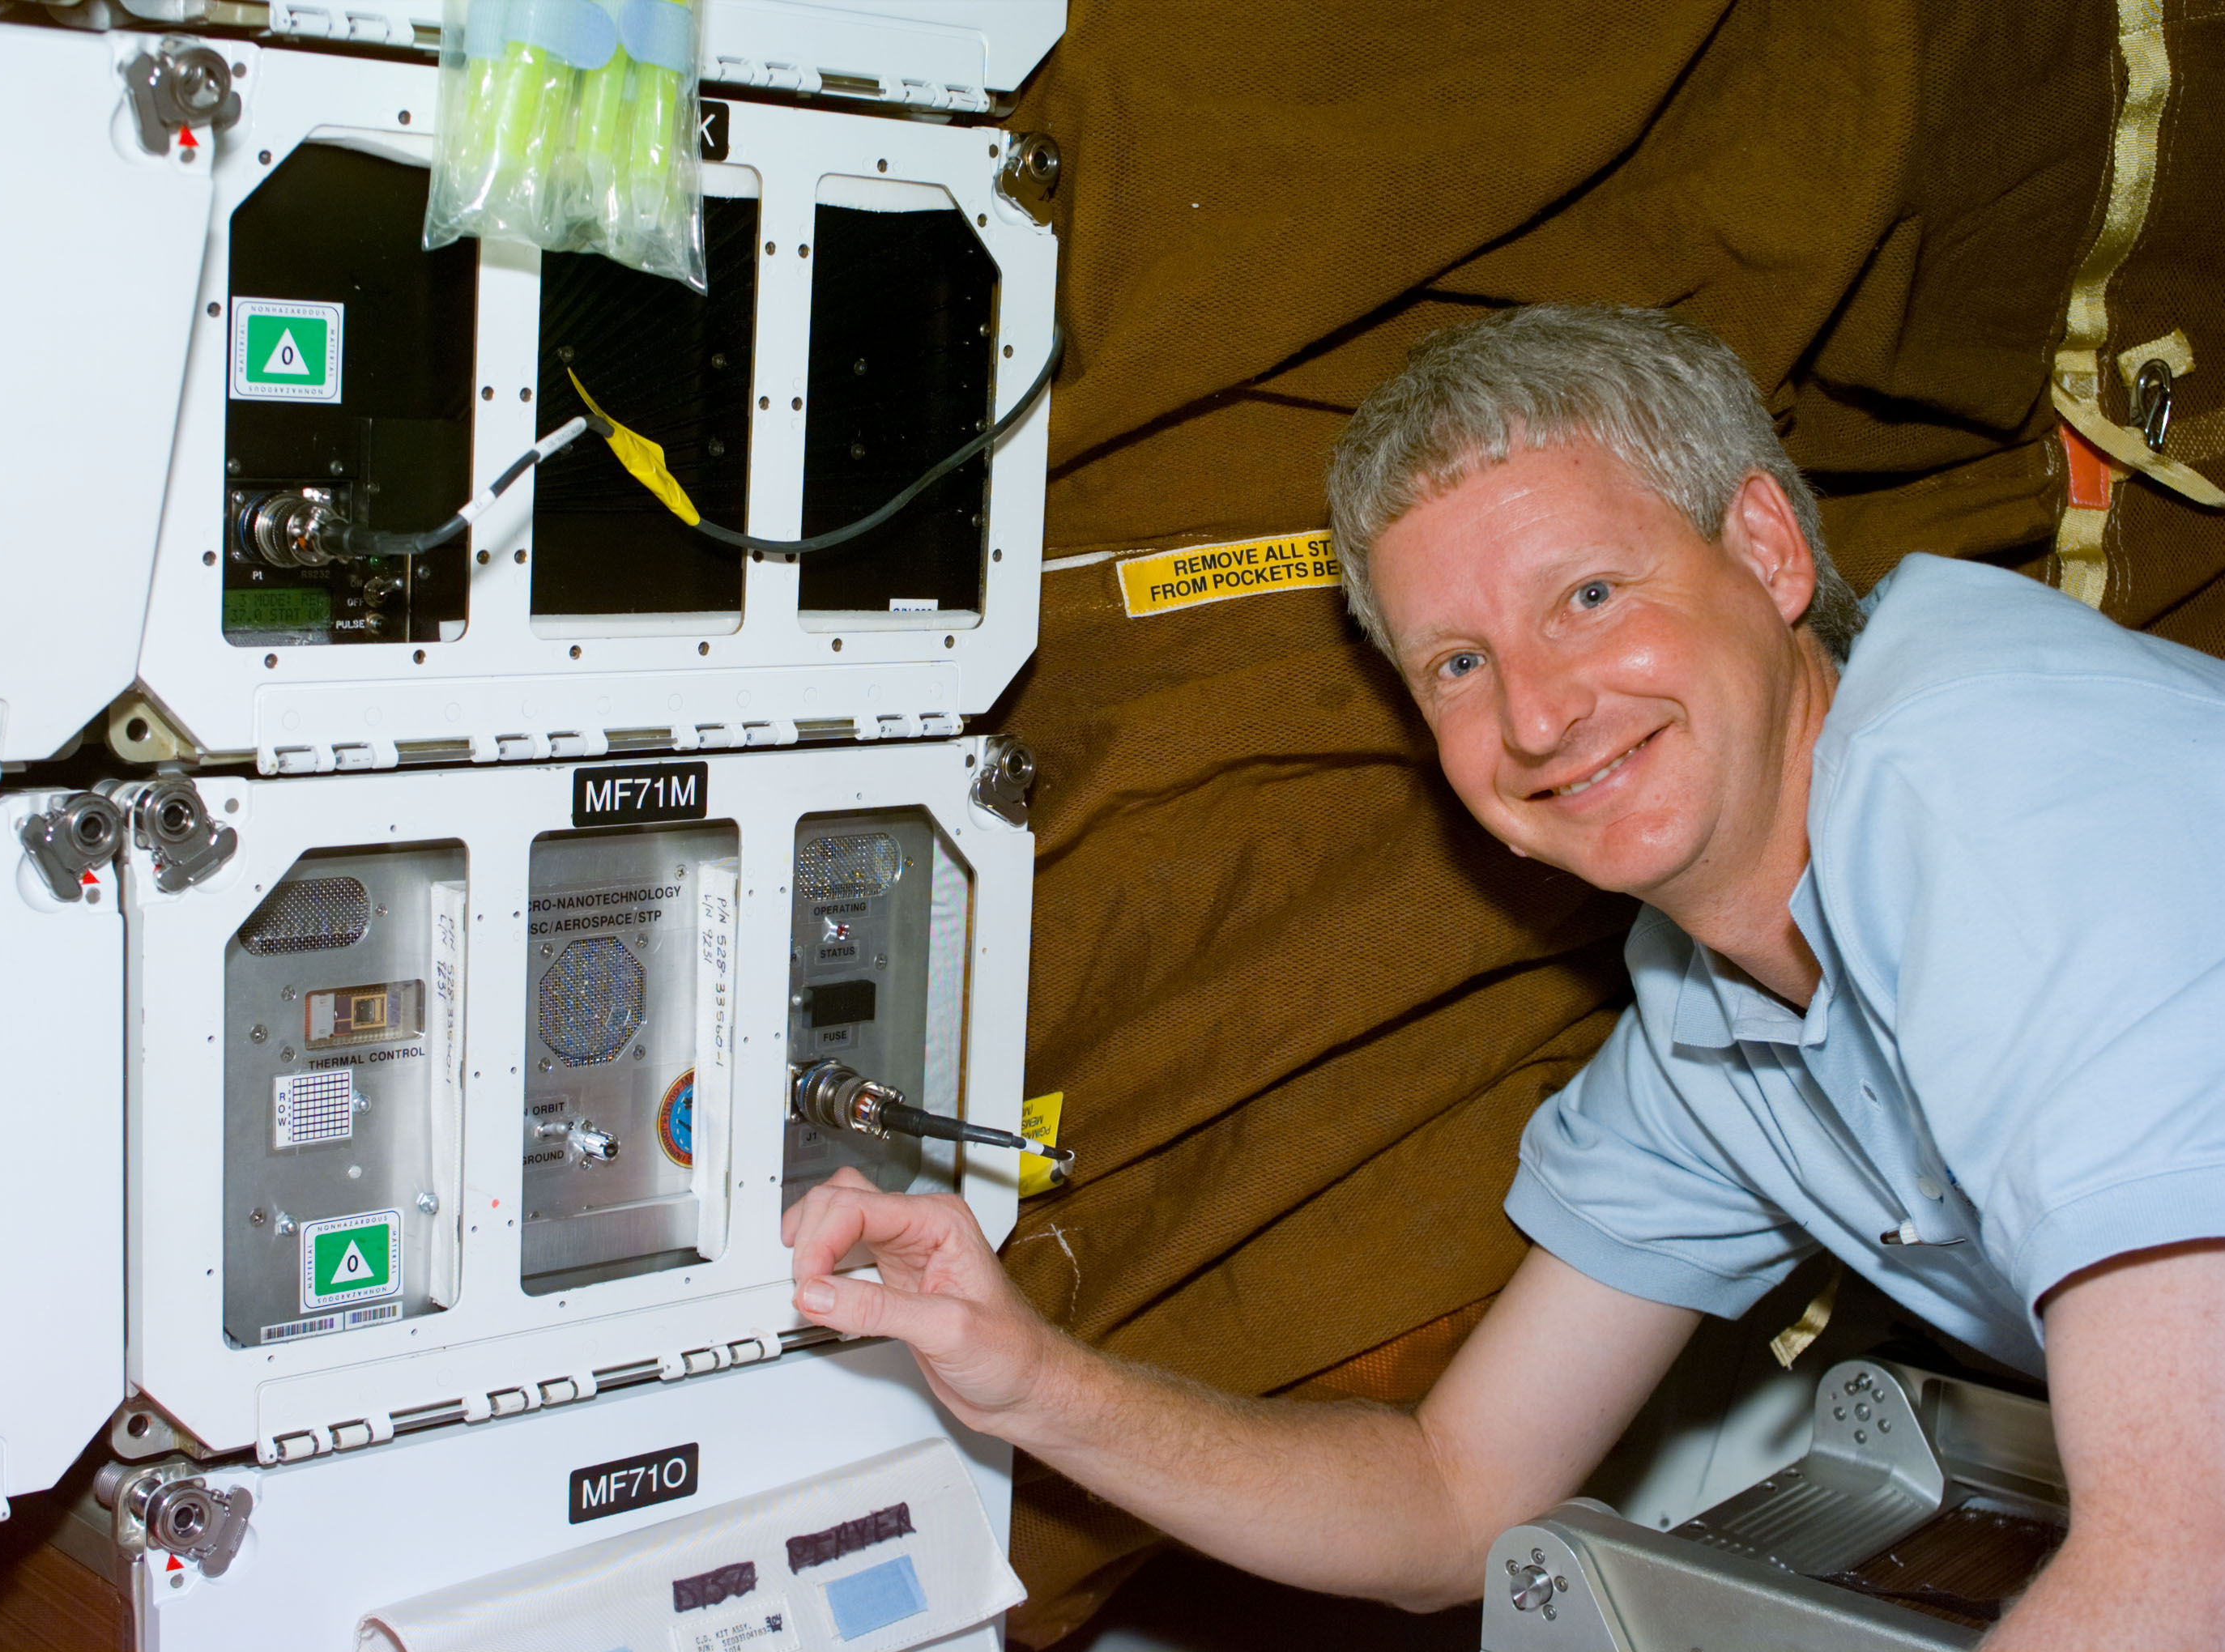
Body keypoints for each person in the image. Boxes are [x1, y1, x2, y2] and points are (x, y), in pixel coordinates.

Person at [782, 305, 2225, 1643]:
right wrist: (1033, 1376)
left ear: (1771, 549)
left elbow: (2183, 1570)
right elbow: (1452, 1498)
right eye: (1457, 664)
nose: (1538, 715)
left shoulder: (2005, 799)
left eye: (1590, 594)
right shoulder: (1713, 1011)